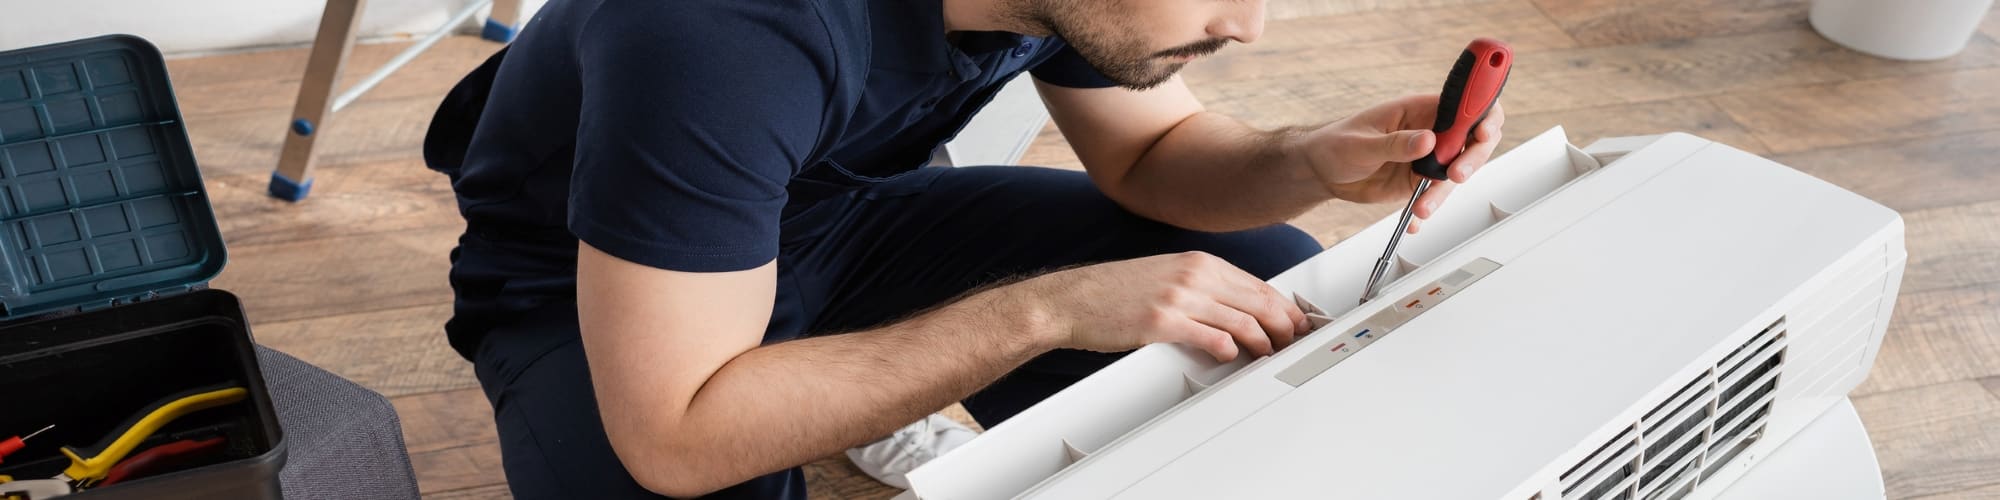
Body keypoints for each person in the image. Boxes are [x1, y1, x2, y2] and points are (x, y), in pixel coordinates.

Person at [421, 0, 1503, 497]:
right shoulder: (724, 33)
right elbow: (677, 432)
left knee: (1259, 274)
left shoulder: (1065, 5)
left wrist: (1310, 155)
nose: (1246, 23)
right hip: (589, 290)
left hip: (838, 215)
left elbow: (1156, 152)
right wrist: (1043, 308)